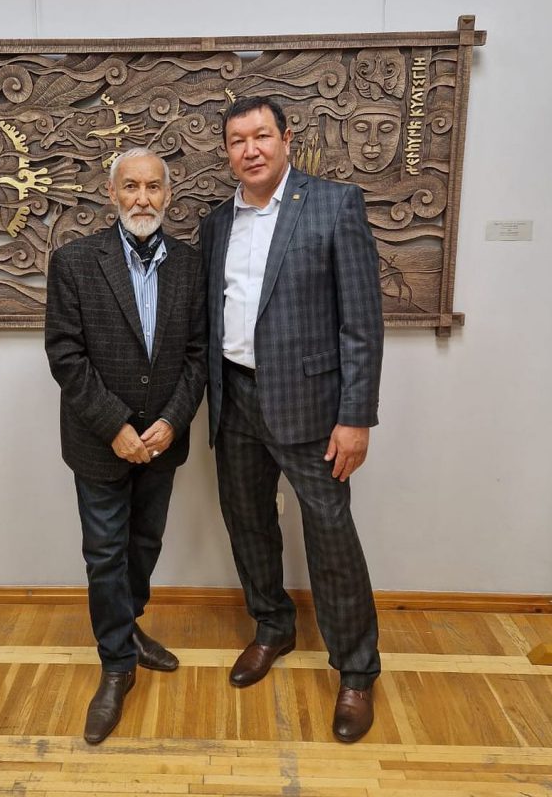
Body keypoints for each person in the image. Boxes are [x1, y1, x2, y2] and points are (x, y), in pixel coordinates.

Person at [200, 96, 383, 743]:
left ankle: (356, 670)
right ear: (227, 152)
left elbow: (361, 324)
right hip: (234, 398)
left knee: (331, 538)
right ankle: (273, 627)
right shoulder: (216, 223)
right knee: (248, 525)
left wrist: (355, 417)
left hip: (312, 409)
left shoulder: (334, 205)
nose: (250, 149)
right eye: (237, 140)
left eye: (261, 136)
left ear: (285, 139)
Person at [45, 147, 206, 744]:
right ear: (111, 194)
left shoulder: (190, 265)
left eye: (153, 187)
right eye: (131, 187)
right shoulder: (75, 262)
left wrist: (173, 420)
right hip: (99, 441)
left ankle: (128, 624)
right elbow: (65, 355)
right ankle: (116, 664)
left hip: (162, 439)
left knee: (144, 542)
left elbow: (198, 355)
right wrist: (114, 425)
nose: (143, 198)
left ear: (169, 194)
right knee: (106, 553)